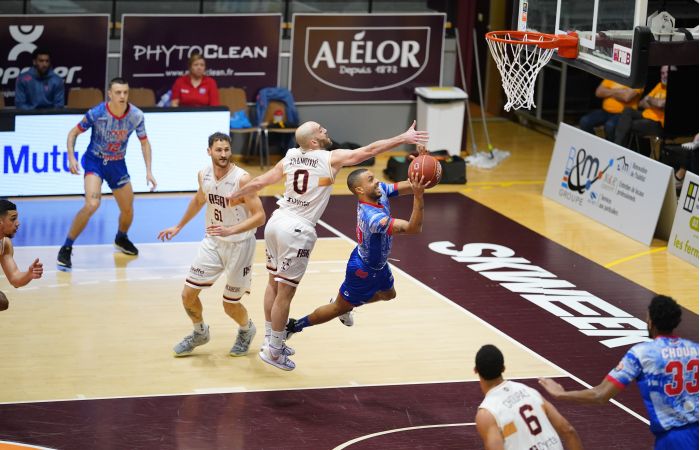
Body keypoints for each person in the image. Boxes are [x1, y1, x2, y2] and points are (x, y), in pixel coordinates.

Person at [226, 121, 429, 371]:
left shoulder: (290, 156)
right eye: (320, 130)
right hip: (296, 230)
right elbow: (369, 151)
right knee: (285, 293)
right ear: (313, 142)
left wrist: (236, 195)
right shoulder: (329, 159)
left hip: (277, 221)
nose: (325, 130)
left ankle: (272, 339)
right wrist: (403, 137)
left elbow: (262, 182)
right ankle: (275, 352)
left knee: (272, 283)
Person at [285, 161, 430, 339]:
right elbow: (413, 228)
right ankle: (293, 326)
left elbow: (411, 186)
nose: (377, 181)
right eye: (371, 179)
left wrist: (423, 167)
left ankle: (348, 305)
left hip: (377, 264)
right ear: (360, 190)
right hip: (363, 269)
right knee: (338, 308)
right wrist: (418, 197)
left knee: (389, 294)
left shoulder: (379, 191)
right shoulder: (373, 218)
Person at [539, 295, 699, 450]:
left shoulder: (643, 353)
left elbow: (600, 395)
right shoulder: (695, 349)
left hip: (674, 439)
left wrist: (561, 394)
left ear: (651, 321)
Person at [157, 132, 265, 357]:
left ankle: (247, 329)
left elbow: (260, 216)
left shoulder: (242, 179)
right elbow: (199, 200)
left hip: (240, 245)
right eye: (218, 150)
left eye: (226, 150)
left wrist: (231, 230)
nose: (223, 154)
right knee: (188, 295)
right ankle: (199, 332)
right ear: (209, 151)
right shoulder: (203, 175)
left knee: (229, 305)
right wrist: (178, 227)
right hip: (213, 242)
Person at [56, 77, 157, 271]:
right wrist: (71, 157)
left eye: (125, 92)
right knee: (92, 204)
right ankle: (66, 247)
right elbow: (72, 133)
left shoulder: (136, 115)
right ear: (109, 94)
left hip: (117, 163)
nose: (122, 96)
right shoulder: (97, 113)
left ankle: (121, 238)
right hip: (95, 161)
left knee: (128, 208)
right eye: (118, 92)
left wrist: (149, 171)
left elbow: (144, 142)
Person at [475, 344, 583, 450]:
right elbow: (568, 431)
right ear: (503, 368)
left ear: (476, 370)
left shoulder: (487, 413)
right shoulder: (529, 391)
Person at [614, 66, 669, 156]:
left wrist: (650, 100)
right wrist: (654, 102)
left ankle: (621, 150)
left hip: (658, 123)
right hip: (647, 114)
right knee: (627, 110)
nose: (664, 75)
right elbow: (642, 102)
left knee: (628, 125)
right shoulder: (660, 85)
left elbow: (660, 104)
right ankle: (618, 147)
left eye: (667, 72)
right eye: (662, 73)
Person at [0, 200, 44, 311]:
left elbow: (15, 279)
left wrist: (29, 275)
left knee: (2, 302)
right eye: (13, 219)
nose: (18, 223)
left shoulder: (4, 244)